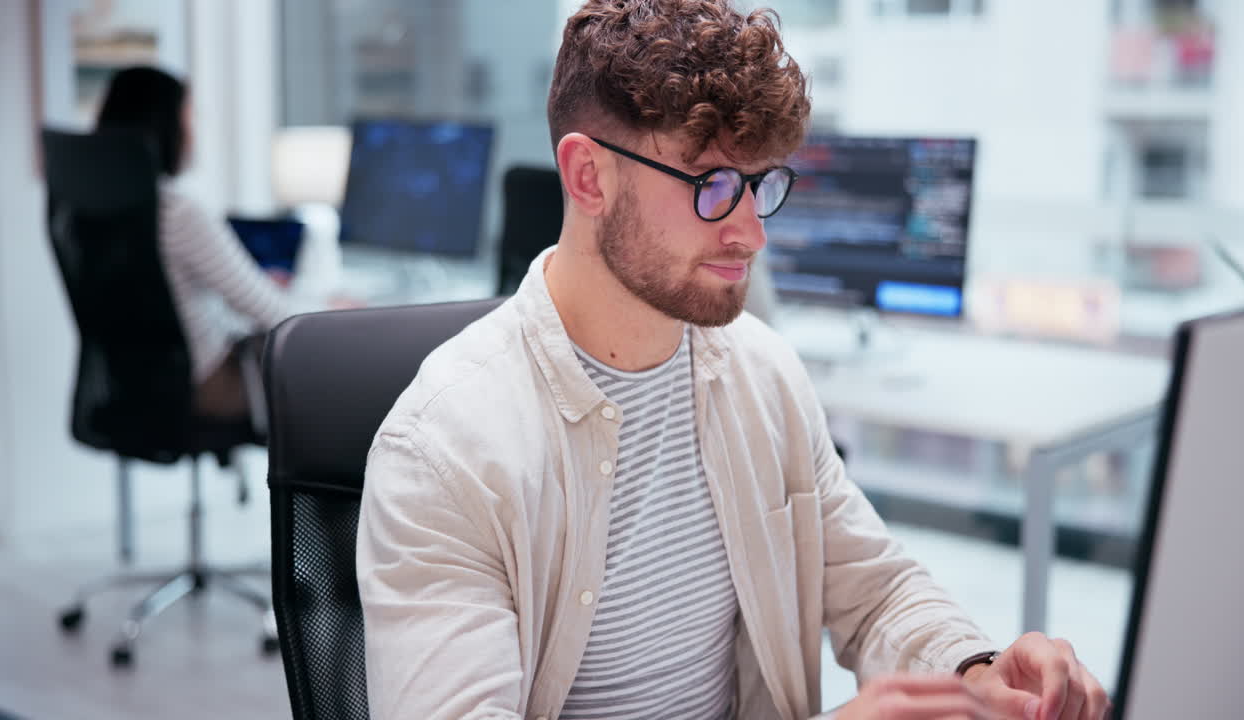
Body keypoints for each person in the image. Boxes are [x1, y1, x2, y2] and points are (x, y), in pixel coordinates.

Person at [356, 2, 1111, 719]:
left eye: (759, 185)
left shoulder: (762, 374)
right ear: (589, 177)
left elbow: (874, 592)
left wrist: (975, 672)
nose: (751, 234)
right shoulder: (443, 450)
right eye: (712, 185)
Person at [95, 66, 348, 425]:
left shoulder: (103, 204)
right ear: (166, 125)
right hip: (209, 385)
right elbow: (275, 314)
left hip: (131, 382)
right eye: (189, 116)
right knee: (349, 366)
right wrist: (334, 310)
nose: (193, 131)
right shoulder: (177, 211)